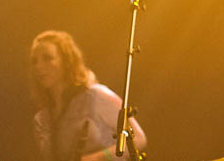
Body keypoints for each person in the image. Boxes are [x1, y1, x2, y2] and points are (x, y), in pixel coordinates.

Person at [29, 30, 148, 161]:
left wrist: (98, 157)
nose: (39, 66)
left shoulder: (96, 95)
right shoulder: (42, 119)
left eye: (47, 58)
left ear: (67, 60)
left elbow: (138, 138)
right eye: (34, 61)